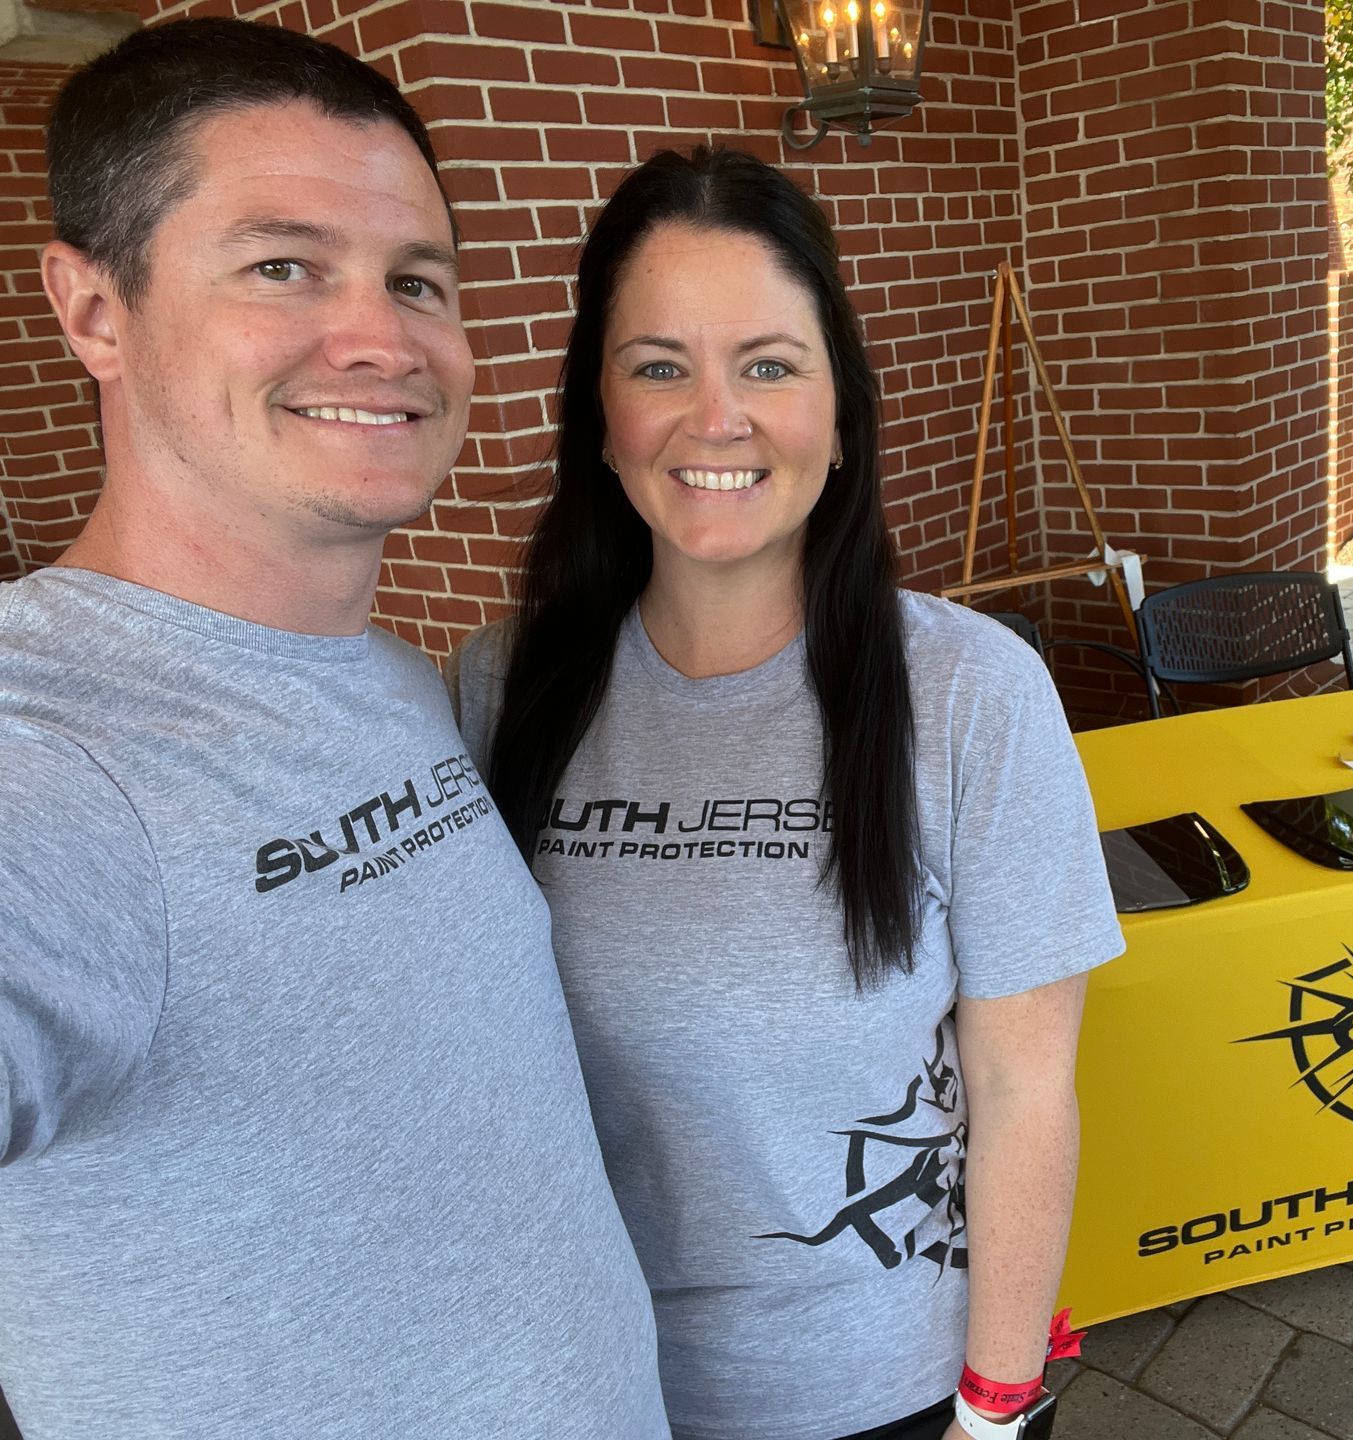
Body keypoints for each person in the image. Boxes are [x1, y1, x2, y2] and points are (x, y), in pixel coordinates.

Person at [0, 19, 670, 1438]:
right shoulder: (51, 757)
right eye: (282, 265)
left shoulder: (389, 676)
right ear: (92, 309)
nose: (380, 338)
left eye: (417, 280)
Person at [450, 147, 1124, 1440]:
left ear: (840, 409)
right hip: (586, 1391)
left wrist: (995, 1414)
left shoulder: (975, 695)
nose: (718, 417)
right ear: (600, 413)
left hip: (891, 1398)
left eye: (768, 363)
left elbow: (1026, 1086)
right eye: (659, 366)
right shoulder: (499, 692)